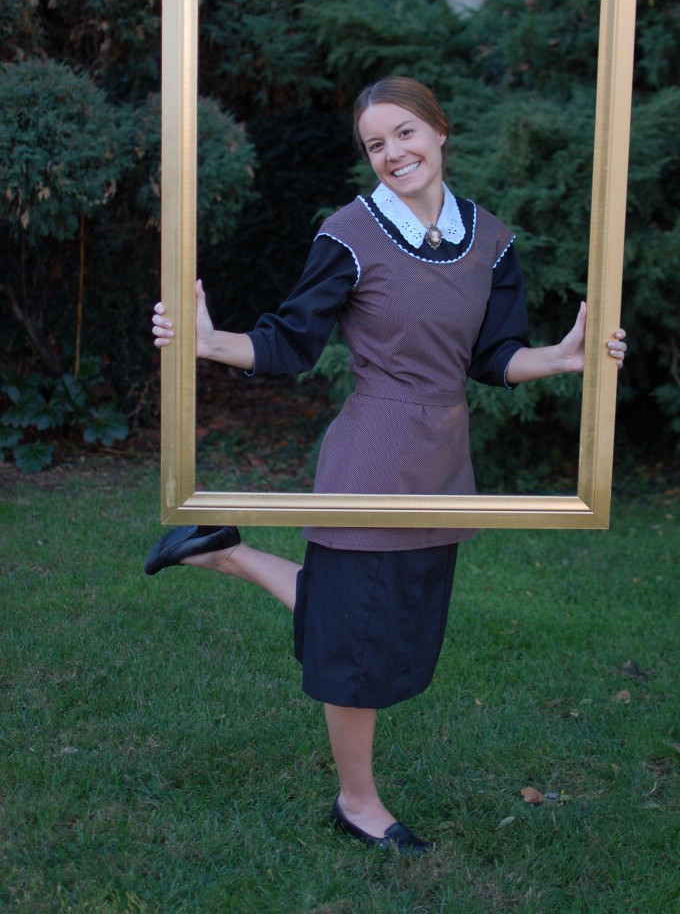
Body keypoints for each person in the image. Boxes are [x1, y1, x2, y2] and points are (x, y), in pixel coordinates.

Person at [147, 77, 627, 853]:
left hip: (443, 466)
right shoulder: (349, 233)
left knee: (375, 626)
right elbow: (291, 342)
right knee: (356, 649)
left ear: (440, 132)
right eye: (375, 144)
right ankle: (358, 803)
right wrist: (209, 341)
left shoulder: (493, 239)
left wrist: (562, 359)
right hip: (370, 457)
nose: (393, 153)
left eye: (405, 133)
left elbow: (493, 357)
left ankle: (225, 548)